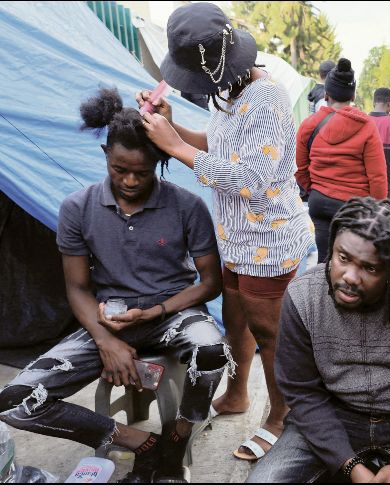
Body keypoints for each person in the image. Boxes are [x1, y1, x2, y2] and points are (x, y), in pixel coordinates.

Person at [0, 87, 229, 483]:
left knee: (212, 351)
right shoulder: (78, 207)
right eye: (120, 169)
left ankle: (177, 438)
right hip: (110, 320)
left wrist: (155, 311)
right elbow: (77, 288)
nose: (130, 180)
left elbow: (210, 283)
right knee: (14, 401)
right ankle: (142, 443)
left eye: (142, 172)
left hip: (173, 314)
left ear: (158, 161)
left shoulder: (187, 205)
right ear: (106, 154)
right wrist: (106, 341)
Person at [137, 2, 313, 462]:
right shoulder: (232, 95)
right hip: (236, 236)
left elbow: (249, 178)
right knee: (236, 322)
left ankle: (281, 417)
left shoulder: (267, 98)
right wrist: (171, 125)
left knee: (268, 332)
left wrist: (174, 147)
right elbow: (217, 145)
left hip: (269, 239)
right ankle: (237, 394)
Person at [247, 197, 390, 483]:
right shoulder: (303, 296)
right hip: (332, 418)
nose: (350, 277)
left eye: (370, 268)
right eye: (342, 258)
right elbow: (302, 393)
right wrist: (350, 466)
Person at [295, 58, 388, 264]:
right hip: (353, 207)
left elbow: (300, 168)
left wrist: (315, 189)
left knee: (324, 261)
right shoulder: (366, 126)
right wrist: (376, 211)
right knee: (348, 264)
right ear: (353, 95)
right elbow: (378, 177)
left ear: (326, 94)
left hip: (319, 202)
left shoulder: (309, 125)